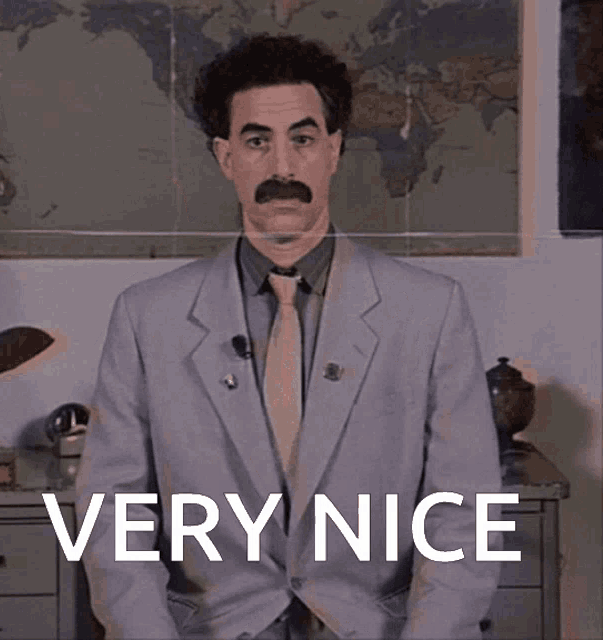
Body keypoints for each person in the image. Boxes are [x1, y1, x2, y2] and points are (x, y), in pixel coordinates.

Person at [76, 34, 503, 640]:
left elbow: (466, 515)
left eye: (302, 139)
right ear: (225, 157)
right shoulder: (147, 317)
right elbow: (111, 513)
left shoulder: (431, 311)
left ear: (334, 150)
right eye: (257, 142)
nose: (282, 168)